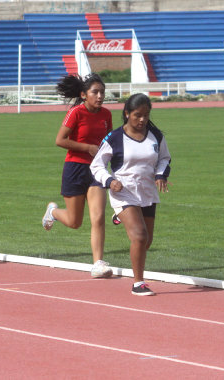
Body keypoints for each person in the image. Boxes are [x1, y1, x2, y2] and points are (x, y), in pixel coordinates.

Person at [90, 93, 171, 296]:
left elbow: (164, 158)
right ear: (127, 114)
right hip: (123, 192)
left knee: (146, 241)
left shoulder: (156, 135)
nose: (142, 119)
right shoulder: (115, 138)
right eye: (137, 115)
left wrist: (161, 174)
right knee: (139, 235)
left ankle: (119, 216)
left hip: (147, 192)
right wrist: (109, 181)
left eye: (146, 115)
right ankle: (138, 283)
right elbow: (97, 164)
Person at [41, 73, 113, 278]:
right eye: (95, 92)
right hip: (75, 168)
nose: (100, 96)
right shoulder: (76, 113)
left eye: (102, 92)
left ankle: (98, 263)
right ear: (84, 95)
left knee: (98, 217)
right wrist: (87, 147)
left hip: (97, 171)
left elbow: (110, 142)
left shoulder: (106, 114)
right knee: (74, 222)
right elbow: (60, 140)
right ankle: (53, 212)